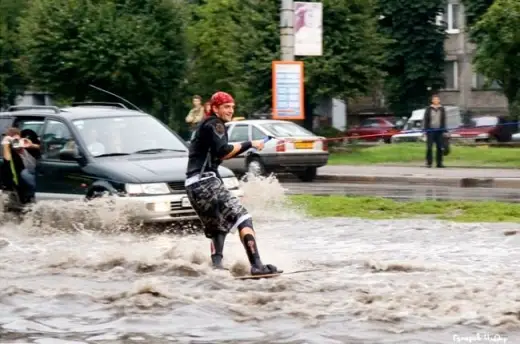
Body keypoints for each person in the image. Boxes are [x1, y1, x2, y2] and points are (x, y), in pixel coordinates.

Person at [184, 91, 281, 276]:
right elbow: (223, 150)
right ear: (214, 108)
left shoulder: (204, 125)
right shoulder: (215, 123)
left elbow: (223, 153)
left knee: (217, 227)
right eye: (226, 107)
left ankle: (216, 267)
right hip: (205, 182)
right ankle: (257, 265)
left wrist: (249, 145)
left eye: (232, 107)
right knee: (243, 217)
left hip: (192, 186)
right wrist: (251, 143)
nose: (230, 110)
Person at [1, 127, 40, 202]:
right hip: (23, 183)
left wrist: (32, 145)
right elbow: (7, 161)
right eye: (14, 141)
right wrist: (6, 145)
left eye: (18, 140)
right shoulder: (11, 154)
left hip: (35, 172)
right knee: (24, 174)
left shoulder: (27, 146)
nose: (17, 143)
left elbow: (45, 150)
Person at [423, 94, 447, 168]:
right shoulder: (428, 109)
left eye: (437, 99)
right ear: (432, 100)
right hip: (430, 131)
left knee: (440, 147)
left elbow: (444, 120)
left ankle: (439, 163)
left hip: (439, 131)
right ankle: (429, 162)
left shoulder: (442, 109)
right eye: (434, 99)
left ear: (439, 100)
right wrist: (426, 130)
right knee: (429, 147)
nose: (436, 100)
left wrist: (444, 130)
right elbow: (426, 120)